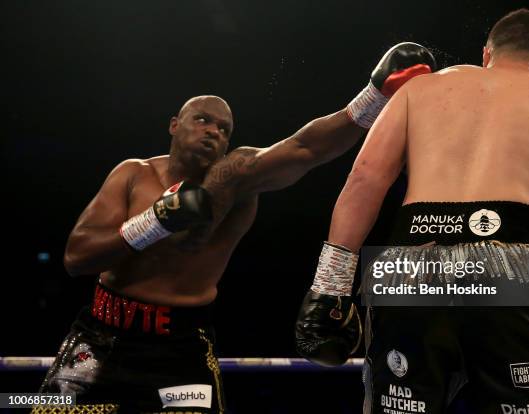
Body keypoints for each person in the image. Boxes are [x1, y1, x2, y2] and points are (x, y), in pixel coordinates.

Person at [35, 43, 436, 413]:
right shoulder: (131, 175)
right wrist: (152, 223)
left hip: (180, 348)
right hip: (100, 335)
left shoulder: (235, 180)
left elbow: (304, 149)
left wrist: (374, 97)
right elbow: (76, 259)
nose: (213, 130)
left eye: (223, 128)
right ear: (175, 125)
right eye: (203, 120)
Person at [295, 9, 529, 414]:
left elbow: (364, 180)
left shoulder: (421, 89)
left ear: (486, 54)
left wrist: (330, 287)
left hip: (404, 270)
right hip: (511, 262)